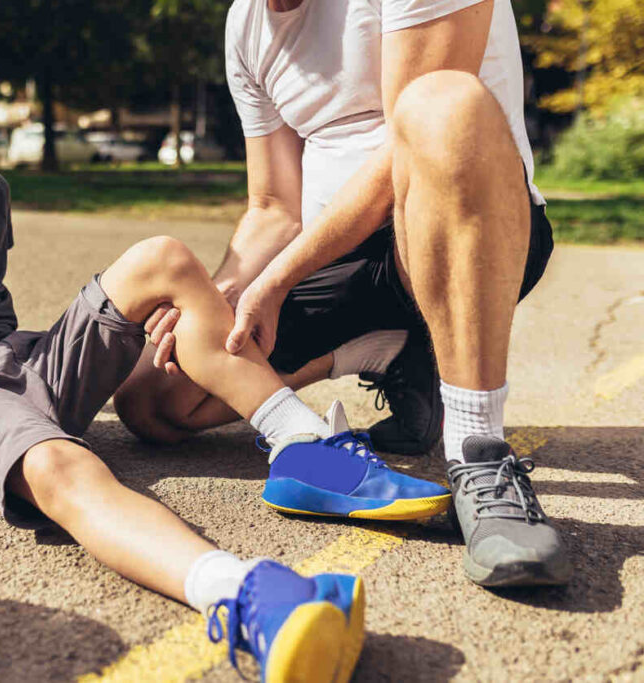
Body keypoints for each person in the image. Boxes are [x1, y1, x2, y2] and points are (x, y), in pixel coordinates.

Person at [0, 24, 454, 681]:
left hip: (28, 358)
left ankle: (299, 442)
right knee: (63, 464)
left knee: (166, 258)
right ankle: (240, 593)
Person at [116, 0, 571, 588]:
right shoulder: (245, 23)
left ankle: (478, 453)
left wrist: (277, 280)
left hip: (458, 230)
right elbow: (274, 207)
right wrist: (226, 288)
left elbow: (412, 151)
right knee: (156, 400)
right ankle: (389, 351)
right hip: (335, 258)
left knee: (442, 104)